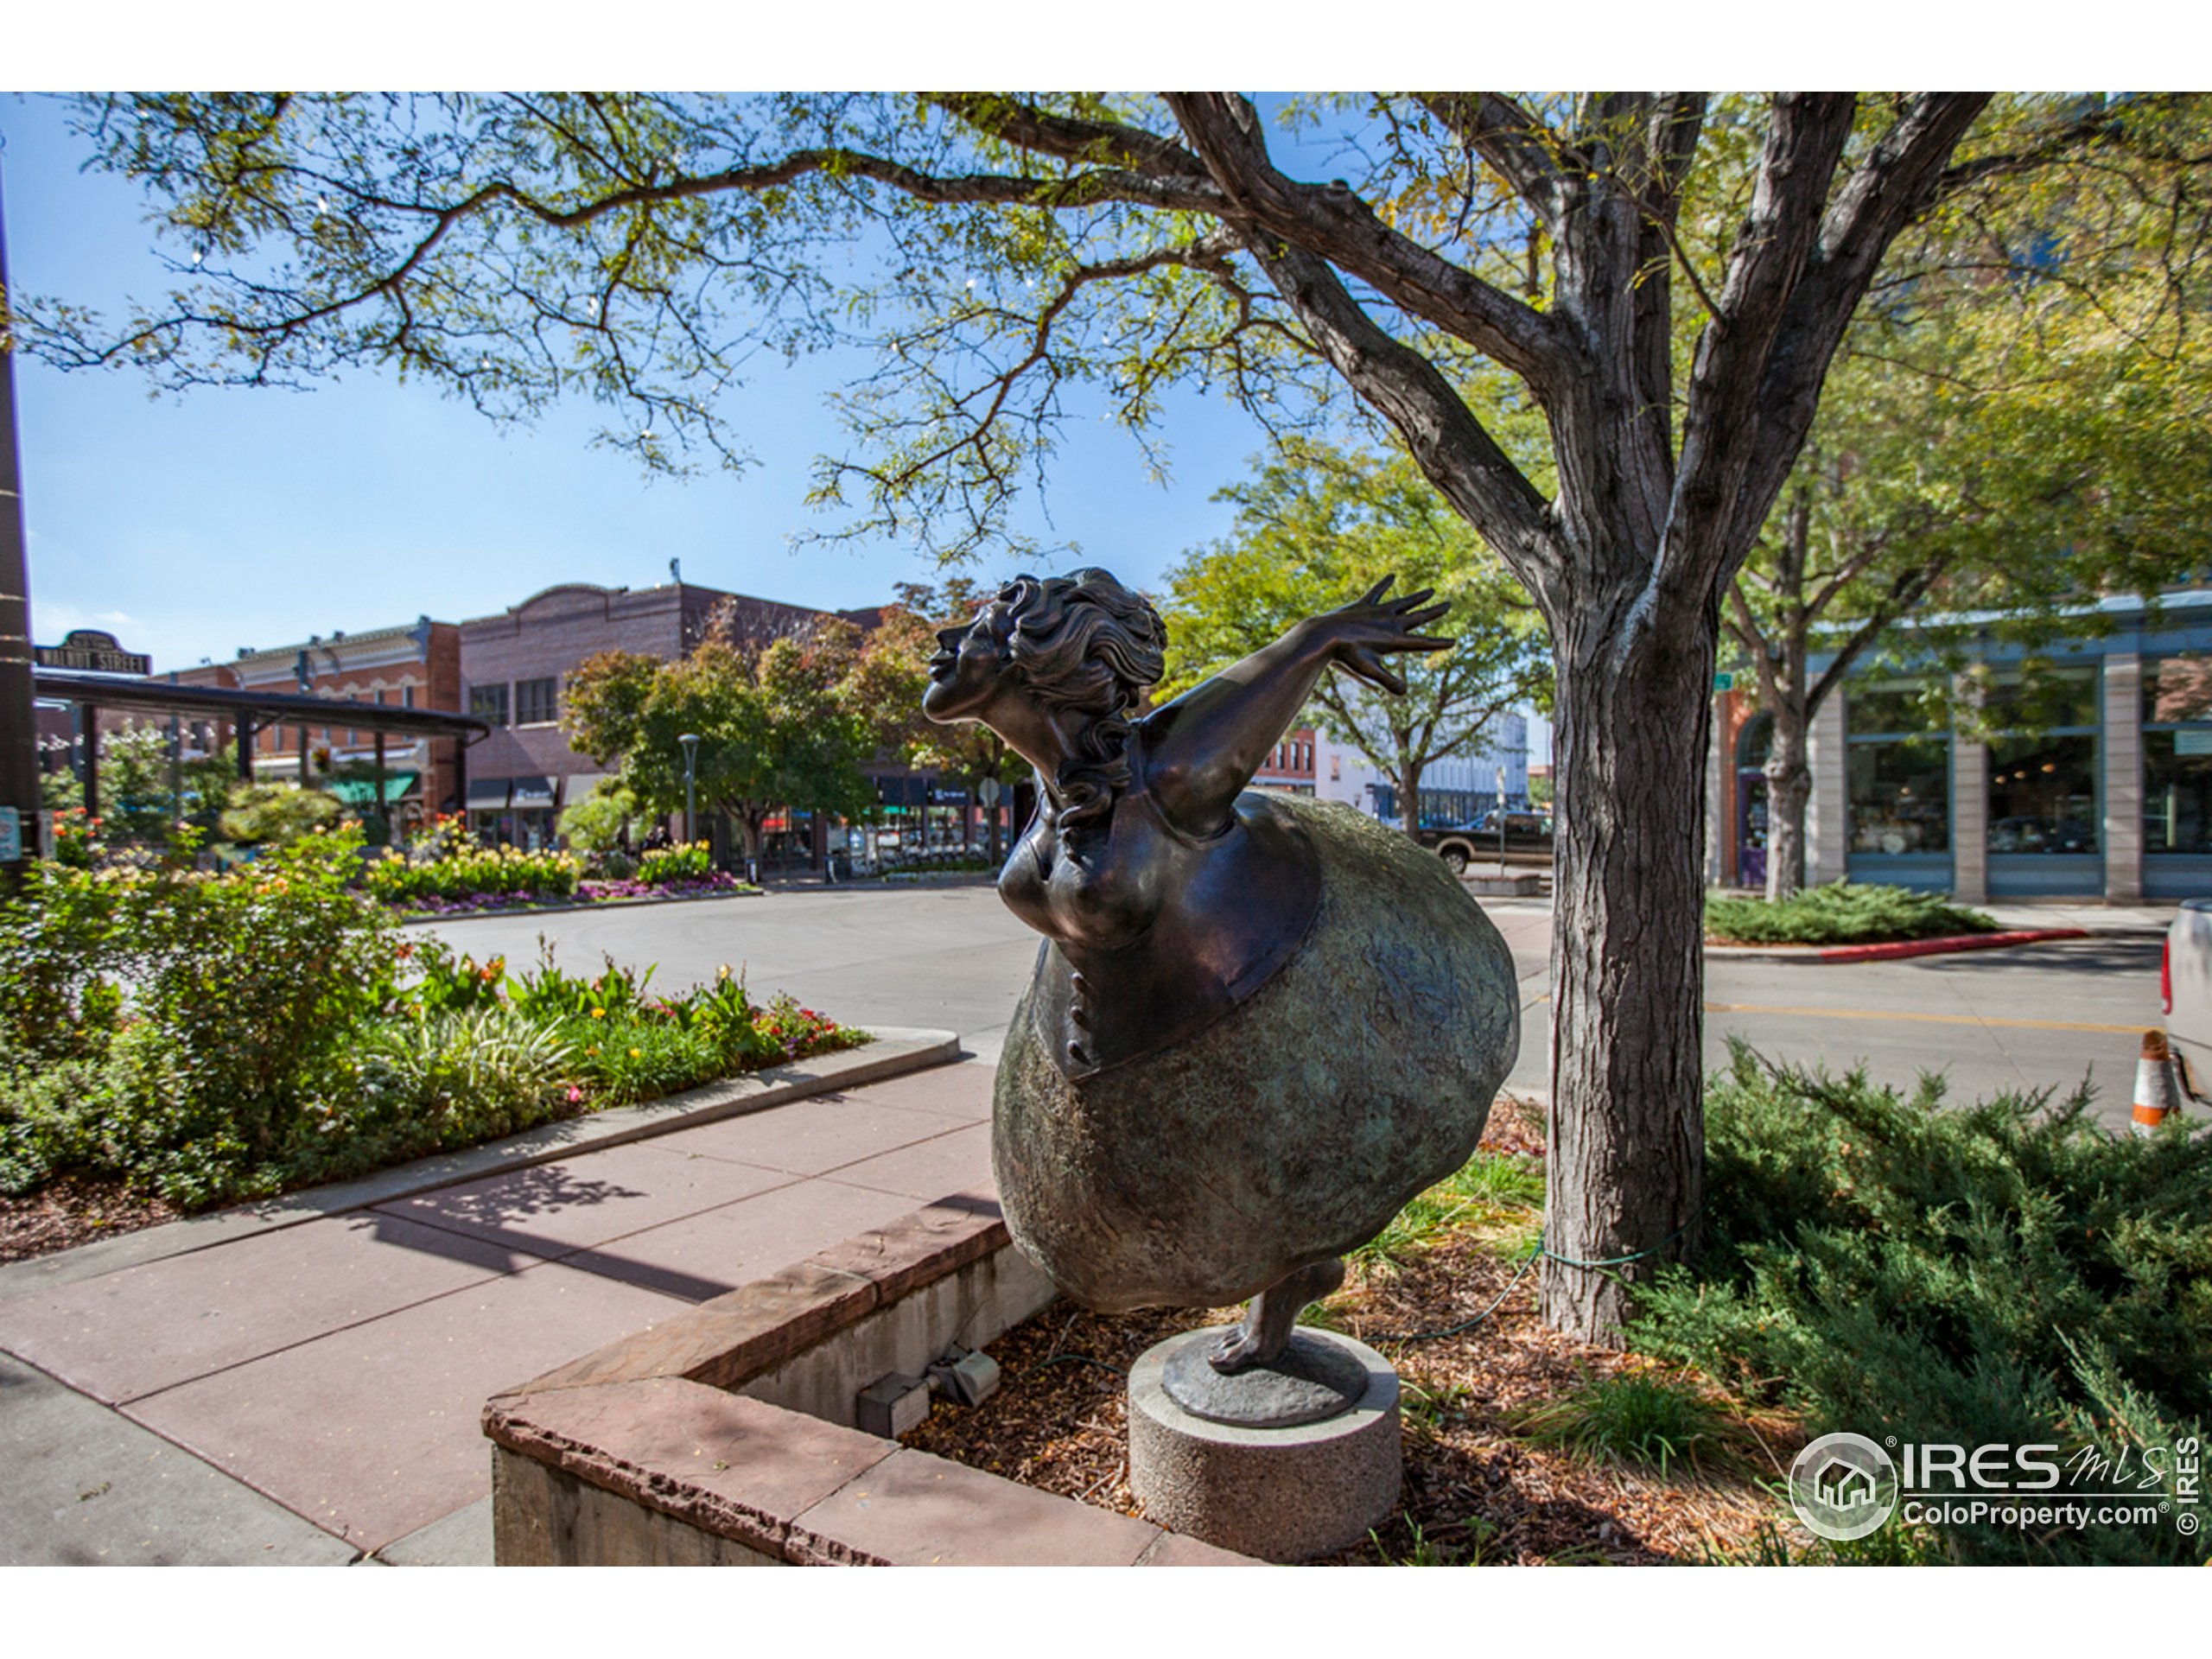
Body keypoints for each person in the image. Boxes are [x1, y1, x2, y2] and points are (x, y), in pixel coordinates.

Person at [924, 569, 1517, 1373]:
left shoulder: (1167, 771)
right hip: (1124, 1048)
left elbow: (1296, 651)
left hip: (1249, 1006)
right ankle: (1286, 1271)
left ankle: (1291, 1280)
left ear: (1044, 659)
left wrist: (1328, 633)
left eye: (979, 632)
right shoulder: (1049, 784)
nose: (944, 642)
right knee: (1202, 1205)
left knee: (1285, 1170)